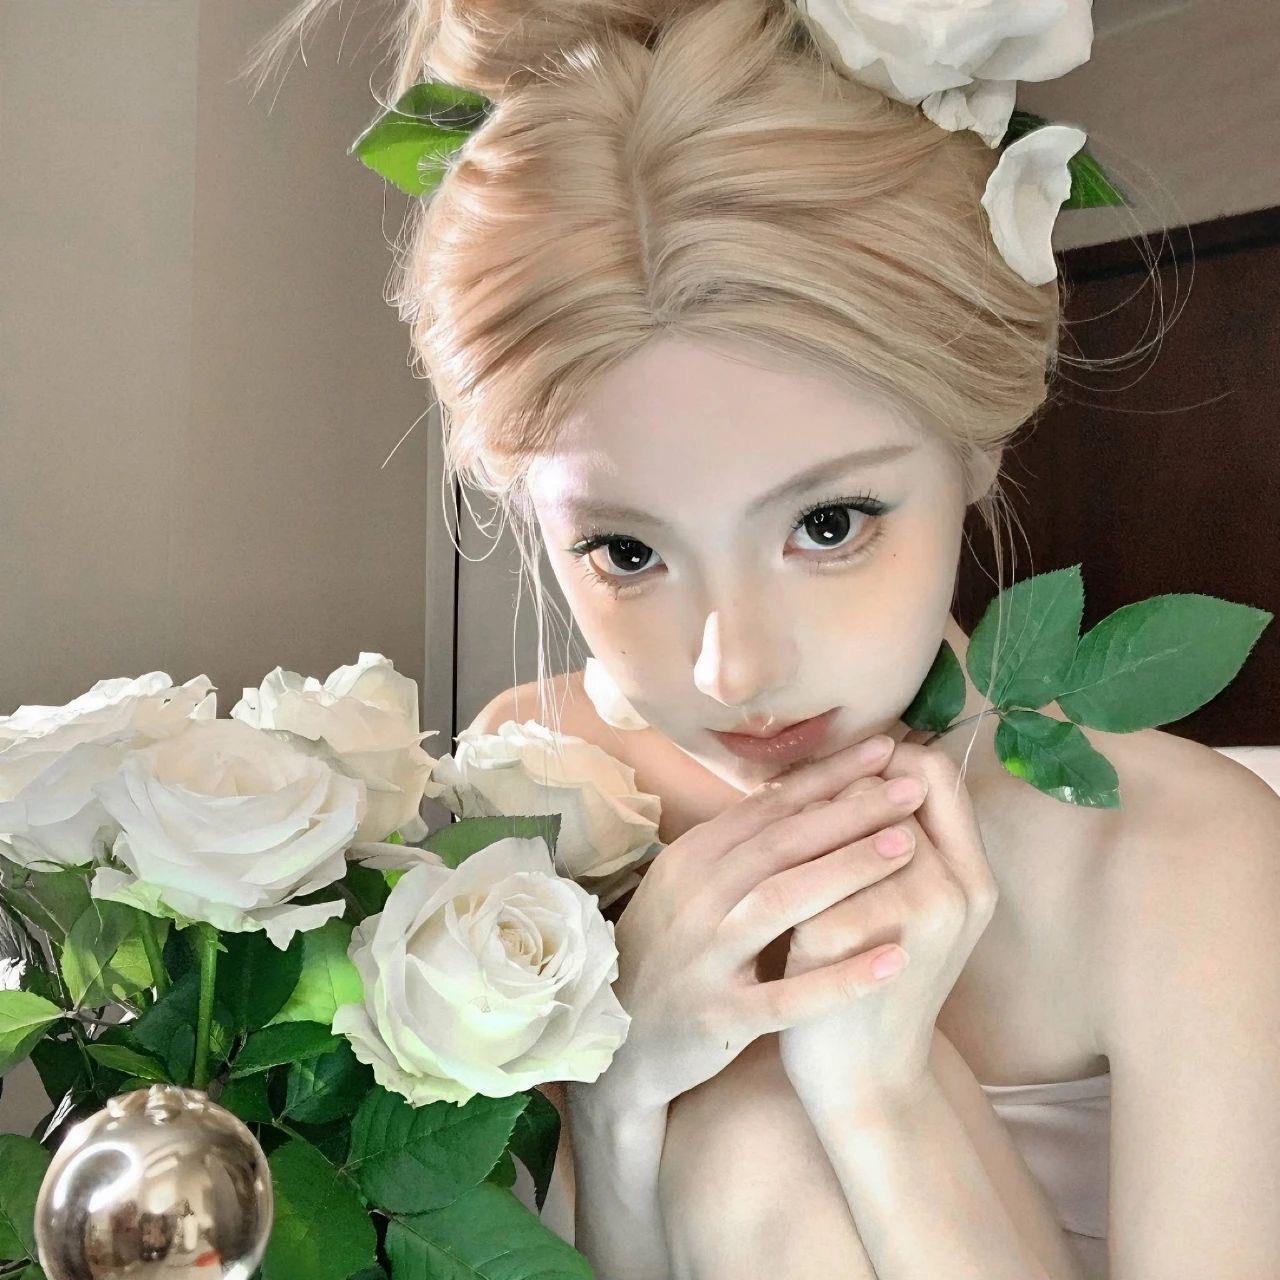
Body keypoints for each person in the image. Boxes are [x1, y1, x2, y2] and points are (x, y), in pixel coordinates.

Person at [249, 2, 1280, 1277]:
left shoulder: (1176, 856)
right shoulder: (545, 777)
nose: (728, 670)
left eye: (827, 522)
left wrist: (880, 1095)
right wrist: (624, 1093)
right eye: (625, 552)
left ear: (972, 445)